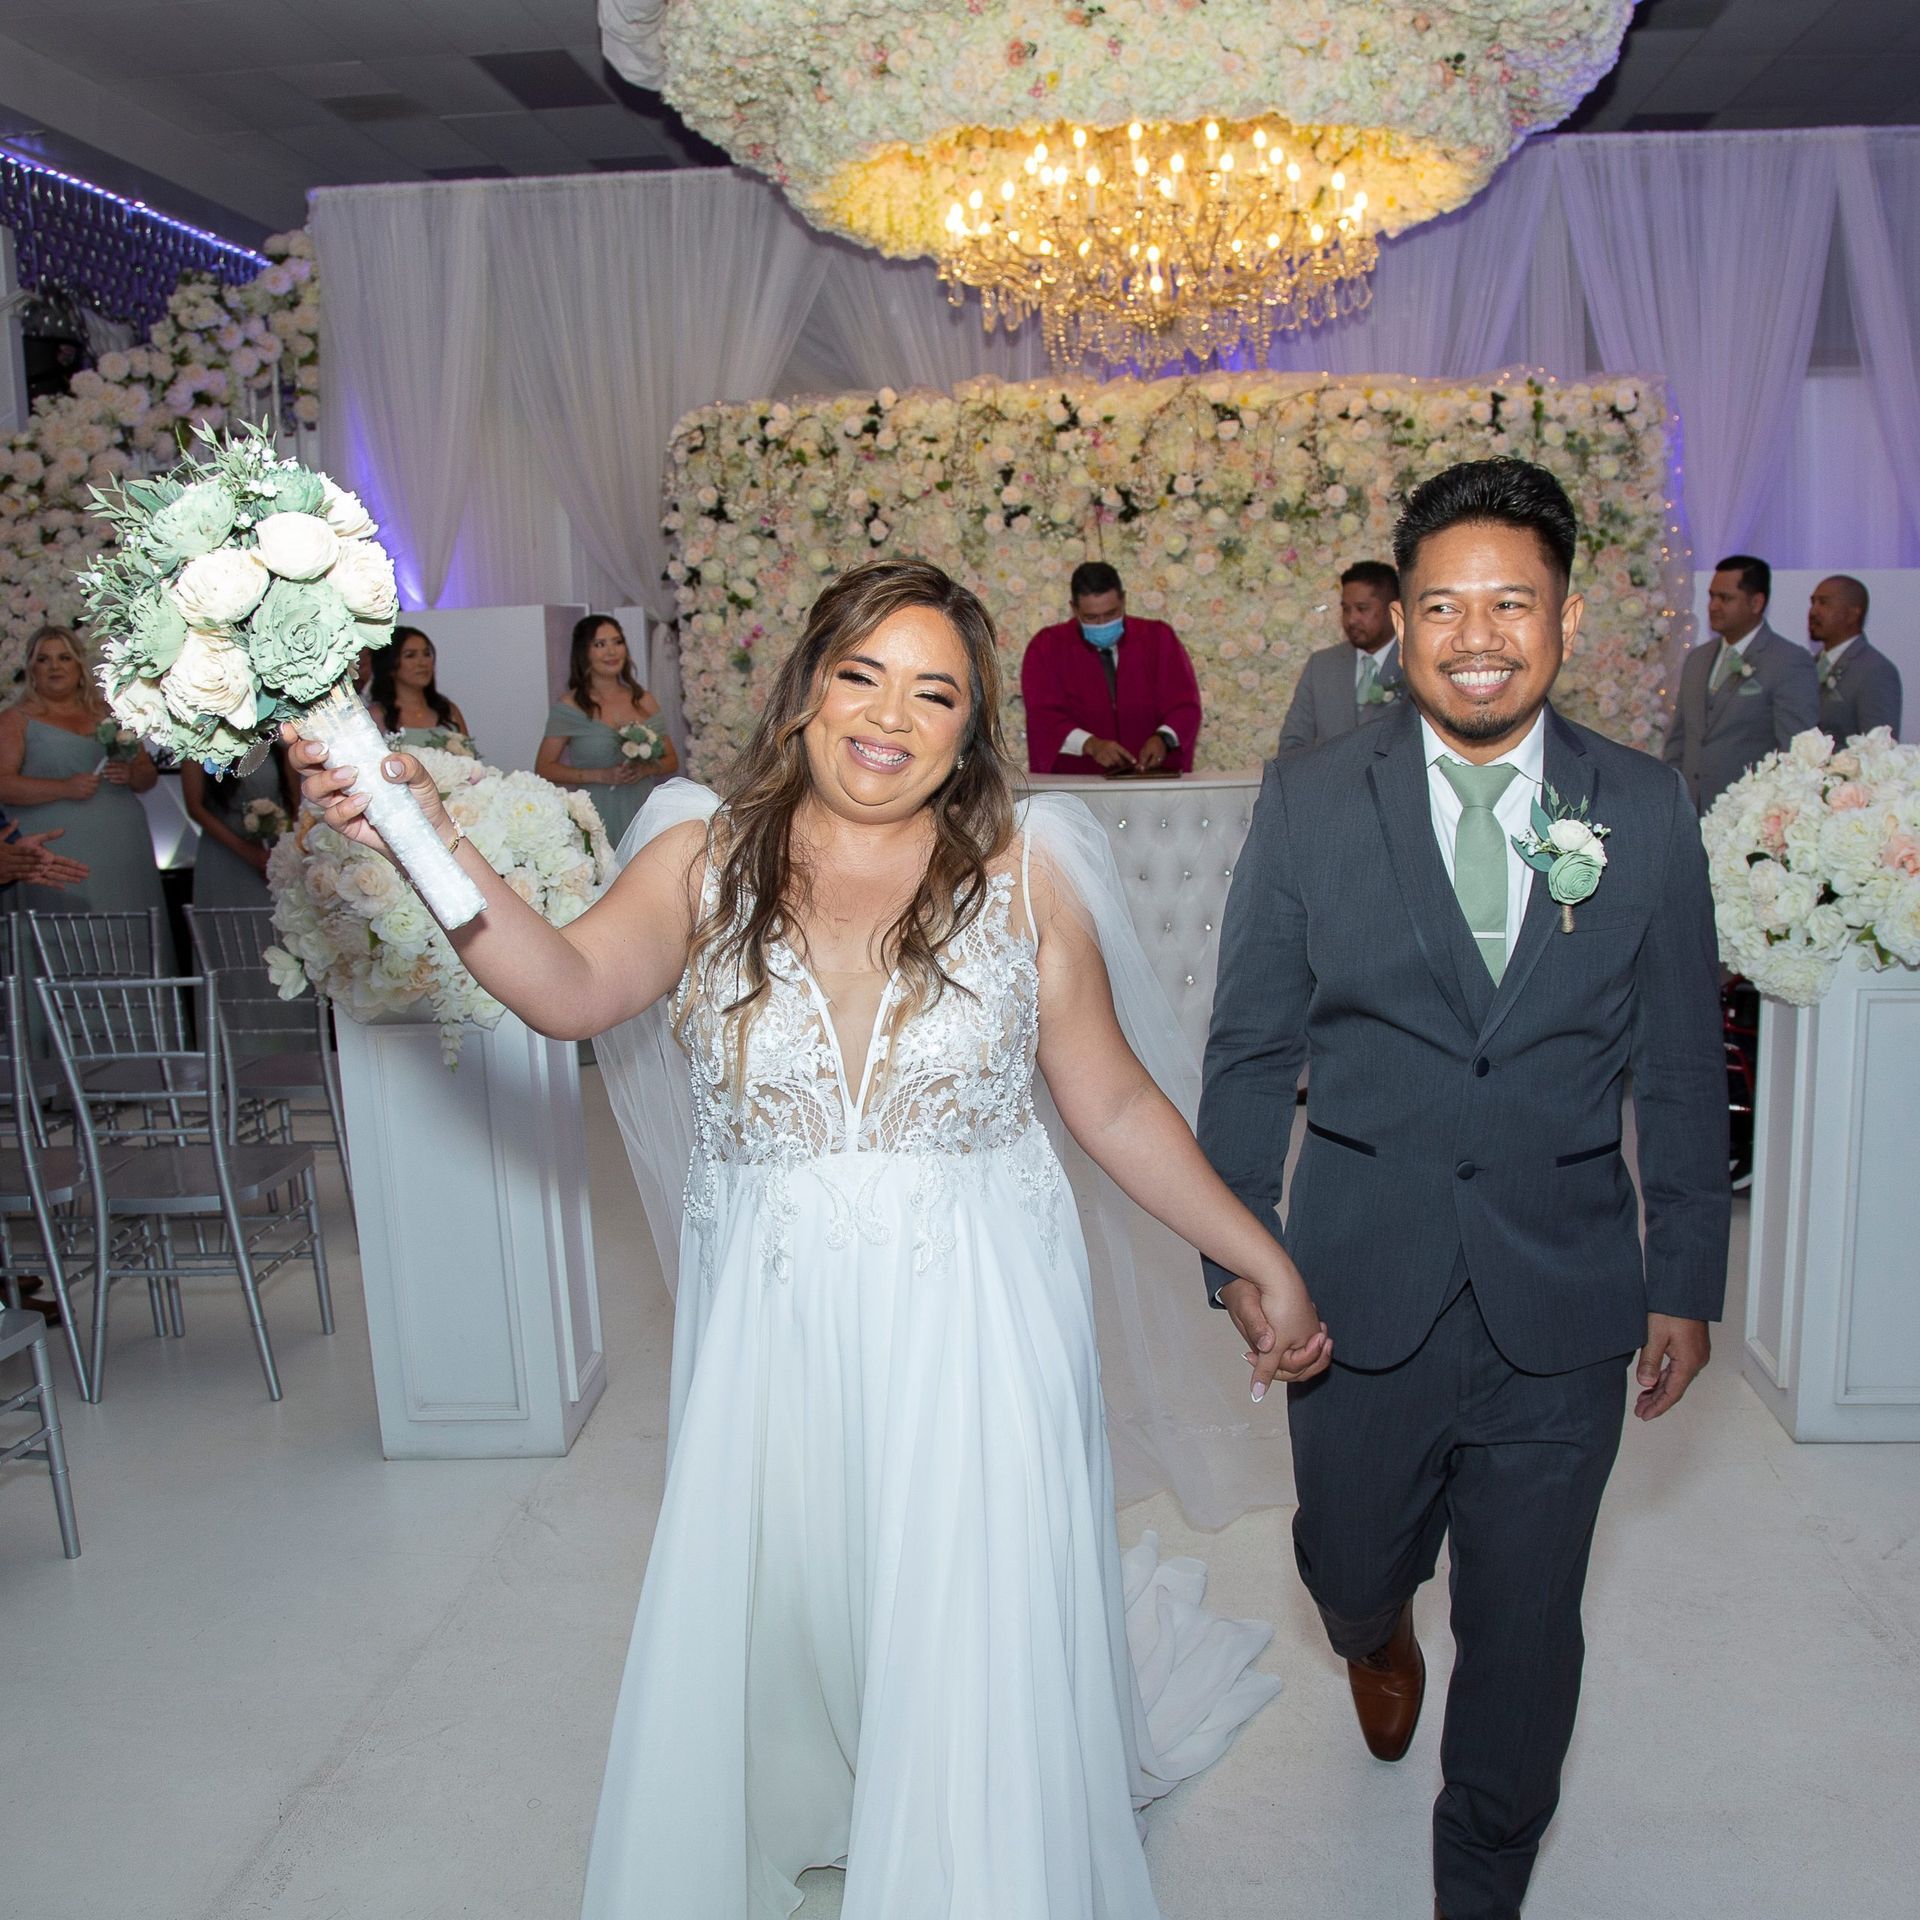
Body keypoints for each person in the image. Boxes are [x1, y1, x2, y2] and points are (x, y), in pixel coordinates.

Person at [287, 558, 1329, 1920]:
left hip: (978, 1314)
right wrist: (427, 843)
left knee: (960, 1612)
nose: (888, 716)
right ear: (803, 694)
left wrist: (1261, 1252)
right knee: (800, 1591)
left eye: (933, 691)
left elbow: (1116, 1101)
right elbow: (567, 989)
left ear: (968, 730)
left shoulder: (1024, 873)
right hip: (775, 1323)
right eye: (860, 675)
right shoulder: (698, 856)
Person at [1198, 460, 1729, 1920]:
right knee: (1347, 1558)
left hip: (1565, 1290)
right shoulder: (1310, 801)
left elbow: (1681, 1062)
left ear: (1565, 618)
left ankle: (1480, 1881)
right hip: (1358, 1274)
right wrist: (1236, 1254)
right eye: (1444, 604)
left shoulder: (1644, 806)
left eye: (1512, 602)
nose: (1477, 633)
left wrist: (1685, 1272)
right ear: (1400, 621)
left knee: (1527, 1624)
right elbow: (1250, 1046)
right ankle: (1374, 1635)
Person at [0, 626, 169, 947]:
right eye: (44, 659)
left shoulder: (112, 714)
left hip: (122, 847)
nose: (54, 666)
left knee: (127, 934)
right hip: (57, 850)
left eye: (64, 657)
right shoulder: (15, 720)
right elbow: (2, 783)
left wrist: (129, 775)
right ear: (32, 670)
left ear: (79, 667)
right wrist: (63, 787)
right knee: (67, 940)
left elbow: (147, 776)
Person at [1662, 554, 1817, 812]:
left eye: (1726, 598)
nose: (1713, 606)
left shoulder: (1788, 661)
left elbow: (1795, 751)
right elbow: (1679, 738)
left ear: (1756, 602)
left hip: (1749, 816)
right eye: (1712, 596)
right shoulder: (1697, 659)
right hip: (1690, 811)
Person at [1021, 561, 1202, 775]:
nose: (1102, 623)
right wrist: (1090, 744)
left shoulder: (1159, 638)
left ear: (1124, 601)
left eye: (1111, 614)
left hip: (1151, 778)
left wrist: (1164, 738)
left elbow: (1185, 706)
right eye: (1091, 617)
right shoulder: (1046, 647)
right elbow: (1043, 716)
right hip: (1078, 780)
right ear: (1074, 609)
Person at [534, 614, 680, 847]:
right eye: (600, 644)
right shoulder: (570, 707)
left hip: (642, 809)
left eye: (617, 642)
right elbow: (544, 767)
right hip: (595, 812)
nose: (612, 652)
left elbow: (672, 760)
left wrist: (645, 769)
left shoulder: (644, 700)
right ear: (584, 653)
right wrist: (601, 775)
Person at [1276, 560, 1405, 754]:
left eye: (1362, 609)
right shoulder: (1322, 666)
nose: (1351, 619)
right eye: (1346, 609)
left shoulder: (1415, 663)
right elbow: (1293, 744)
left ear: (1393, 610)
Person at [180, 749, 296, 911]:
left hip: (274, 850)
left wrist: (283, 853)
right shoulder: (196, 741)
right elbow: (195, 808)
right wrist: (250, 854)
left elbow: (293, 806)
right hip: (224, 851)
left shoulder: (276, 738)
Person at [1808, 574, 1902, 741]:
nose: (1813, 611)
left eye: (1823, 602)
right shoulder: (1806, 666)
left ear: (1852, 614)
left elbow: (1877, 750)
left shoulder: (1876, 671)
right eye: (1813, 602)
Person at [366, 626, 476, 754]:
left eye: (426, 654)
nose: (422, 662)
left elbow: (472, 764)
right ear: (390, 664)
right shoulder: (376, 715)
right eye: (410, 655)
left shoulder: (449, 711)